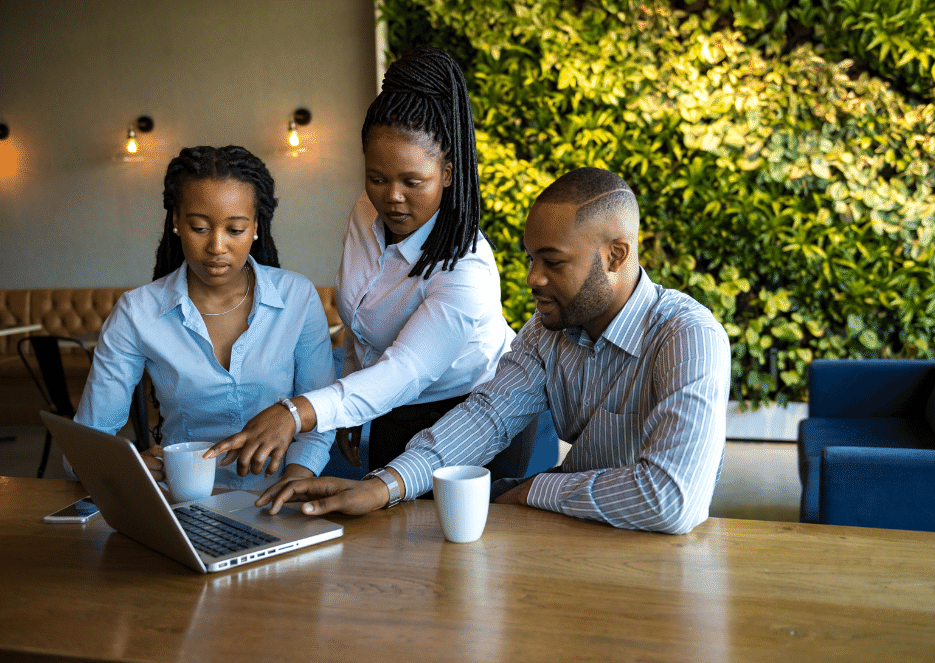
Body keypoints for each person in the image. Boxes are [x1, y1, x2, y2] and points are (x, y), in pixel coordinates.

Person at [254, 167, 732, 534]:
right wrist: (383, 487)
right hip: (572, 539)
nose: (532, 279)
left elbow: (671, 499)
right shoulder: (547, 334)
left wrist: (532, 489)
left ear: (616, 255)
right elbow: (484, 418)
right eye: (530, 258)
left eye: (553, 261)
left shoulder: (689, 337)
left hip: (661, 564)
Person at [206, 47, 556, 482]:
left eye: (413, 181)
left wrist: (298, 412)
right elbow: (360, 325)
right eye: (377, 178)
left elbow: (405, 369)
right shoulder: (364, 214)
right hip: (390, 406)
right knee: (390, 542)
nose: (392, 196)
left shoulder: (466, 269)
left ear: (447, 171)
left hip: (475, 415)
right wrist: (349, 404)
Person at [72, 145, 337, 491]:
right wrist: (131, 466)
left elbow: (318, 413)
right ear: (177, 223)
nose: (216, 246)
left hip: (279, 498)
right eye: (199, 228)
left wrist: (293, 485)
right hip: (182, 500)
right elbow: (85, 444)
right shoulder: (137, 313)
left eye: (235, 230)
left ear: (256, 227)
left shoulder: (297, 297)